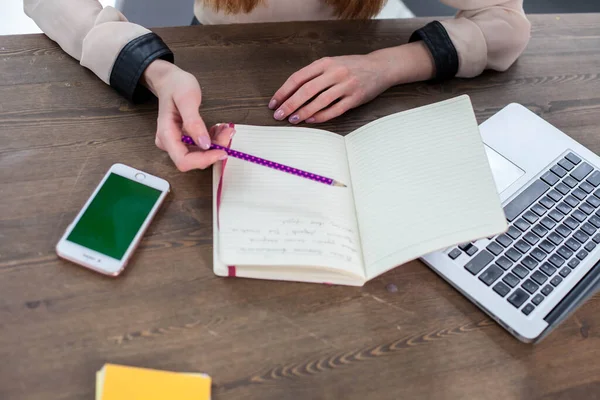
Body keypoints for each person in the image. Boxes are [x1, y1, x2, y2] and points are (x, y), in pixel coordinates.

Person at [24, 0, 530, 172]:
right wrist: (156, 70)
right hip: (214, 60)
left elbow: (506, 23)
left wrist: (388, 65)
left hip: (352, 90)